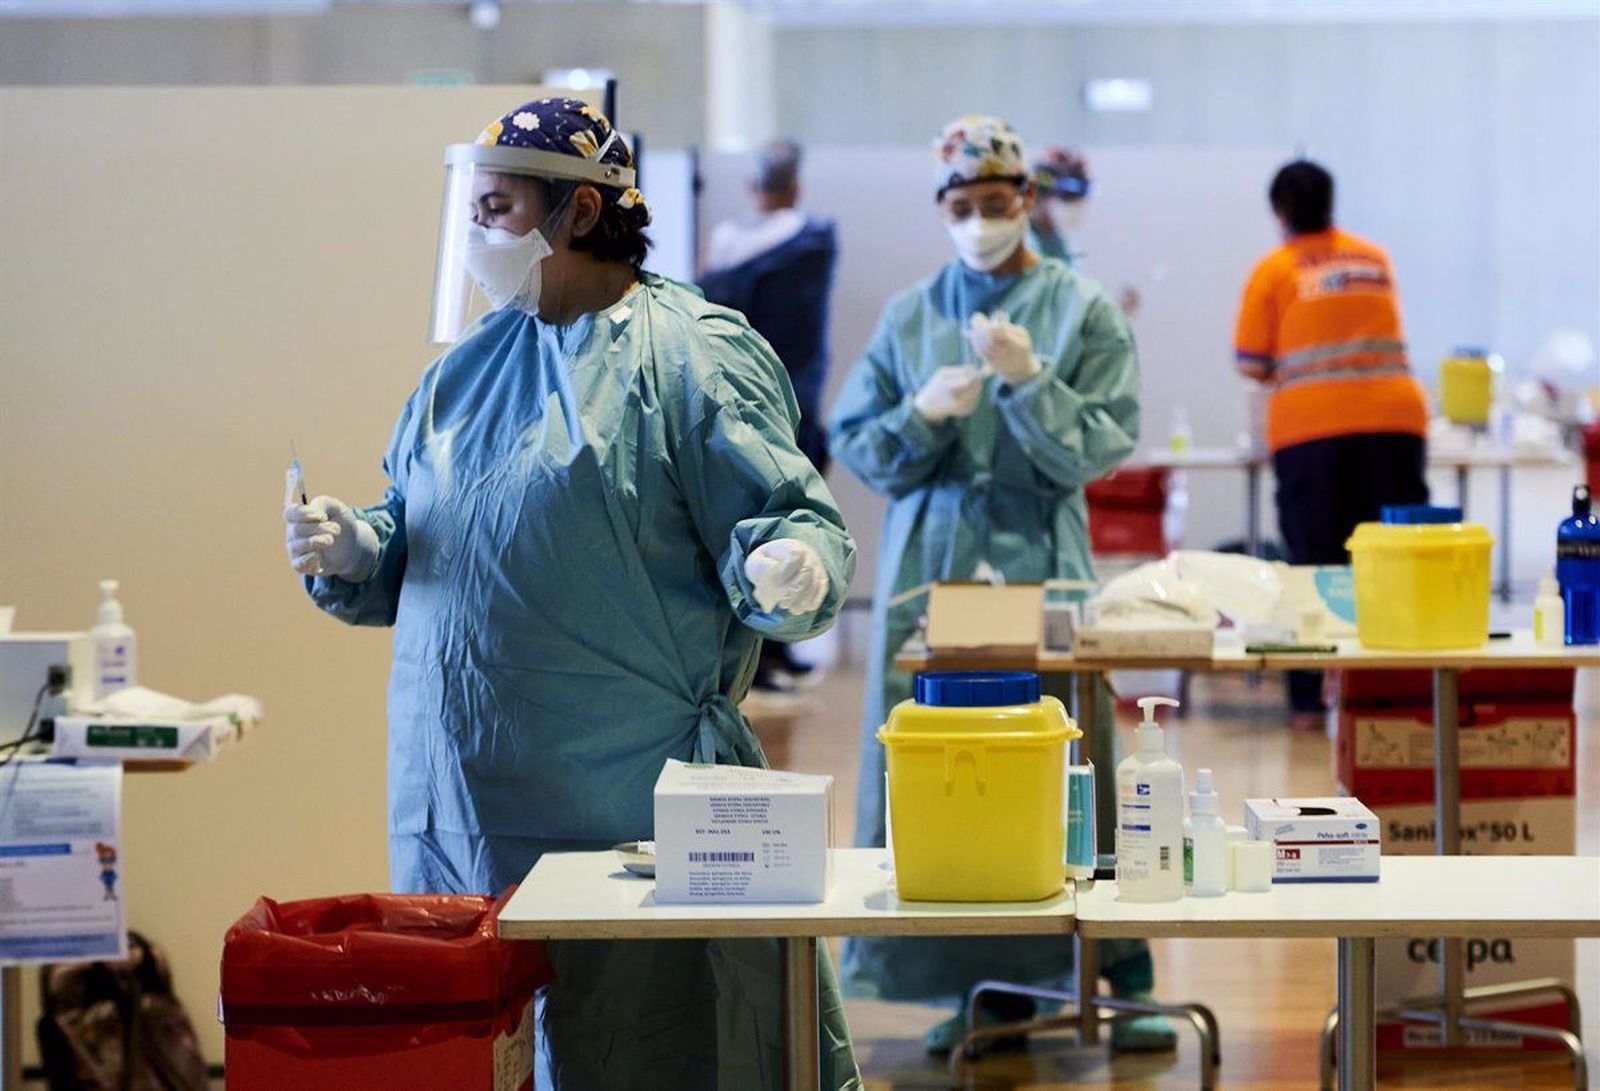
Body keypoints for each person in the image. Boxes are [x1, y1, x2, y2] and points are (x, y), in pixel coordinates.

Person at [282, 97, 860, 1090]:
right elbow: (417, 533)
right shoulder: (463, 373)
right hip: (458, 801)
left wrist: (793, 564)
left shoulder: (688, 356)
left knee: (643, 1048)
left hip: (624, 804)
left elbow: (788, 519)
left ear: (581, 213)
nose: (476, 234)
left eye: (498, 208)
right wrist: (353, 545)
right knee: (488, 1040)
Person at [828, 114, 1172, 1054]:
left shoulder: (1081, 311)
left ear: (1026, 200)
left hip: (1039, 566)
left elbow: (1101, 445)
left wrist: (1030, 385)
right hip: (930, 580)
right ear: (941, 209)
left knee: (1068, 759)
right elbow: (860, 441)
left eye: (996, 202)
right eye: (963, 206)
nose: (980, 220)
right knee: (950, 775)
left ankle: (1122, 972)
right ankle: (984, 986)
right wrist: (922, 411)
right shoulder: (910, 316)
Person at [1234, 160, 1428, 720]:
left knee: (1314, 572)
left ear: (1280, 212)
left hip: (1312, 433)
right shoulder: (1373, 259)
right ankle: (1396, 696)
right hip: (1396, 425)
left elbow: (1251, 360)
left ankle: (1307, 706)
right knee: (1393, 563)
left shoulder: (1274, 270)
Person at [699, 139, 840, 693]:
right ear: (796, 187)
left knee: (743, 523)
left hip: (732, 402)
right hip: (793, 406)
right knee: (791, 525)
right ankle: (772, 648)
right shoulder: (811, 242)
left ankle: (756, 654)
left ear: (750, 188)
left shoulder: (728, 245)